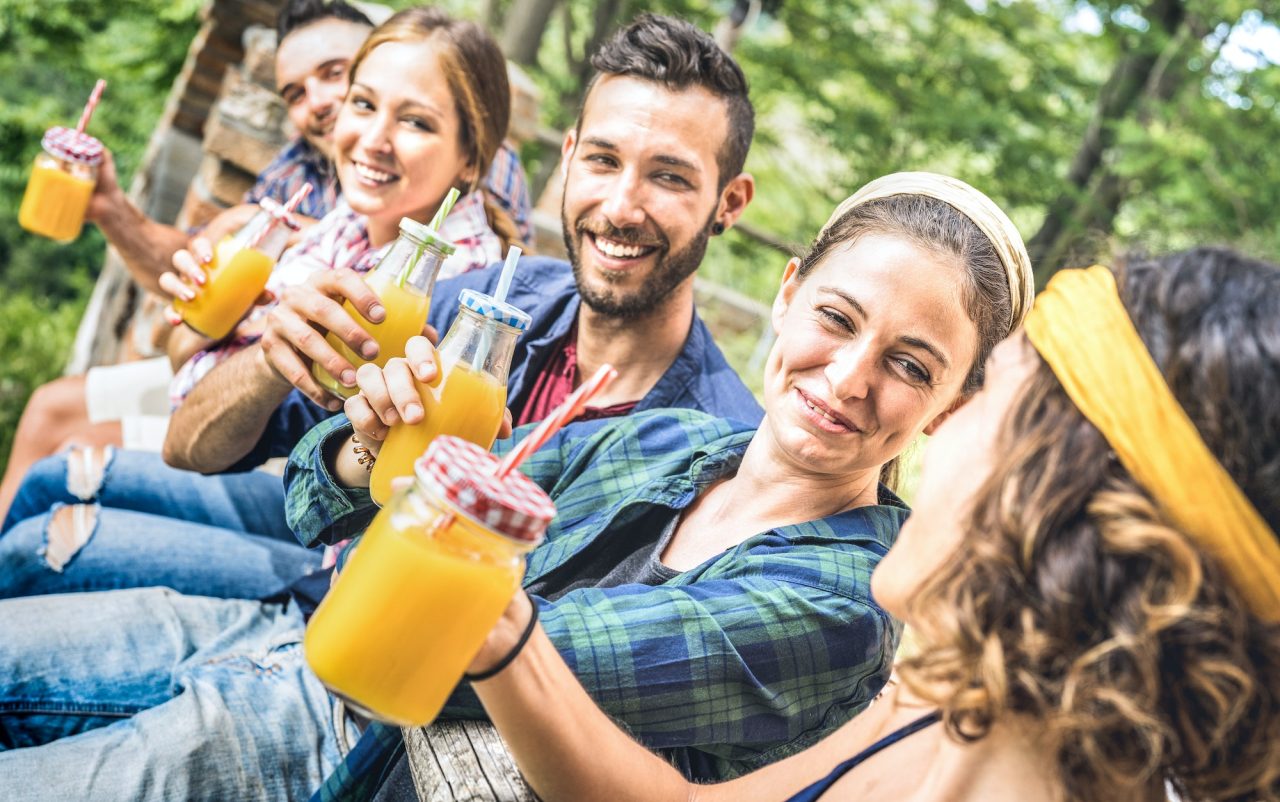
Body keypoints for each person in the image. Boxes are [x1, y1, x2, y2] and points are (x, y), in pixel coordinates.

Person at [0, 170, 1034, 802]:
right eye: (838, 319)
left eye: (909, 364)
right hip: (284, 648)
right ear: (786, 289)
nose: (848, 378)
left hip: (327, 748)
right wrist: (372, 442)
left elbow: (438, 655)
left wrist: (424, 520)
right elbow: (319, 504)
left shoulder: (839, 599)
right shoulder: (672, 440)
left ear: (946, 404)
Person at [447, 247, 1280, 802]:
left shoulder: (856, 614)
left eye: (987, 398)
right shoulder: (948, 705)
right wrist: (505, 634)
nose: (941, 431)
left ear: (1072, 510)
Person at [0, 14, 762, 601]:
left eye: (669, 177)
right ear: (568, 156)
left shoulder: (718, 446)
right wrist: (288, 375)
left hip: (358, 640)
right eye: (602, 160)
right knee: (41, 509)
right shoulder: (482, 303)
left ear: (730, 202)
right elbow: (276, 470)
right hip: (333, 575)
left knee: (41, 540)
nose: (622, 205)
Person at [0, 5, 521, 598]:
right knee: (47, 455)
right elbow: (192, 340)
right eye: (363, 103)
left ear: (472, 157)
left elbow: (320, 460)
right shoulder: (346, 219)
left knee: (42, 517)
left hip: (303, 516)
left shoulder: (455, 295)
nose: (369, 137)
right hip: (216, 419)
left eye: (417, 123)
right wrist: (206, 294)